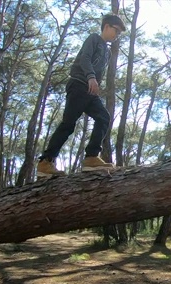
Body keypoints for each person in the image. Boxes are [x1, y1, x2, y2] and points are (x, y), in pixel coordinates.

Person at [36, 14, 126, 178]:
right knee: (68, 124)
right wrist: (91, 77)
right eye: (116, 30)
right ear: (106, 26)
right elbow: (85, 57)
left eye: (119, 33)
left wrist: (95, 83)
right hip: (79, 84)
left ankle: (91, 158)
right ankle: (45, 162)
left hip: (90, 91)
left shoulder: (107, 52)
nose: (117, 35)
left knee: (103, 117)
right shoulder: (94, 39)